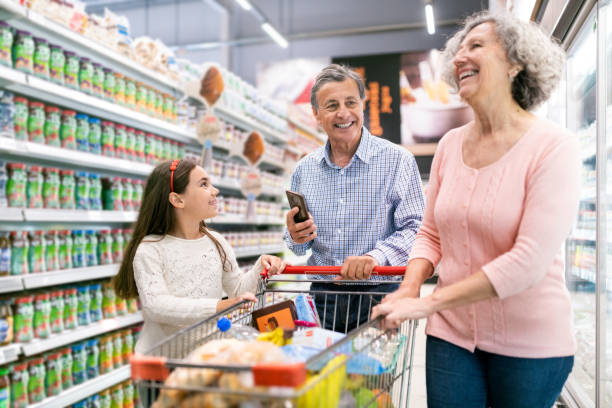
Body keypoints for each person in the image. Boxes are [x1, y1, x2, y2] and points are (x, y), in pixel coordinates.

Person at [371, 12, 579, 408]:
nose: (459, 57)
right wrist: (410, 286)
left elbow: (528, 261)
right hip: (452, 335)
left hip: (531, 344)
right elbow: (430, 233)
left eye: (476, 46)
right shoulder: (449, 144)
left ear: (516, 62)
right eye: (458, 50)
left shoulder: (554, 147)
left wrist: (427, 303)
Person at [285, 64, 425, 332]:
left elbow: (416, 230)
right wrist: (295, 235)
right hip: (321, 297)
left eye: (351, 102)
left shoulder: (398, 161)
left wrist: (374, 257)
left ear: (362, 104)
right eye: (331, 105)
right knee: (324, 373)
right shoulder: (305, 169)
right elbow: (298, 247)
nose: (343, 113)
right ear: (316, 113)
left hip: (378, 294)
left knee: (372, 374)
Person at [113, 158, 286, 353]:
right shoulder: (151, 249)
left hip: (206, 357)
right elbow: (156, 306)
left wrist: (260, 268)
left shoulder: (216, 241)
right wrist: (218, 306)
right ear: (177, 200)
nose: (215, 191)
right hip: (161, 362)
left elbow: (237, 291)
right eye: (204, 184)